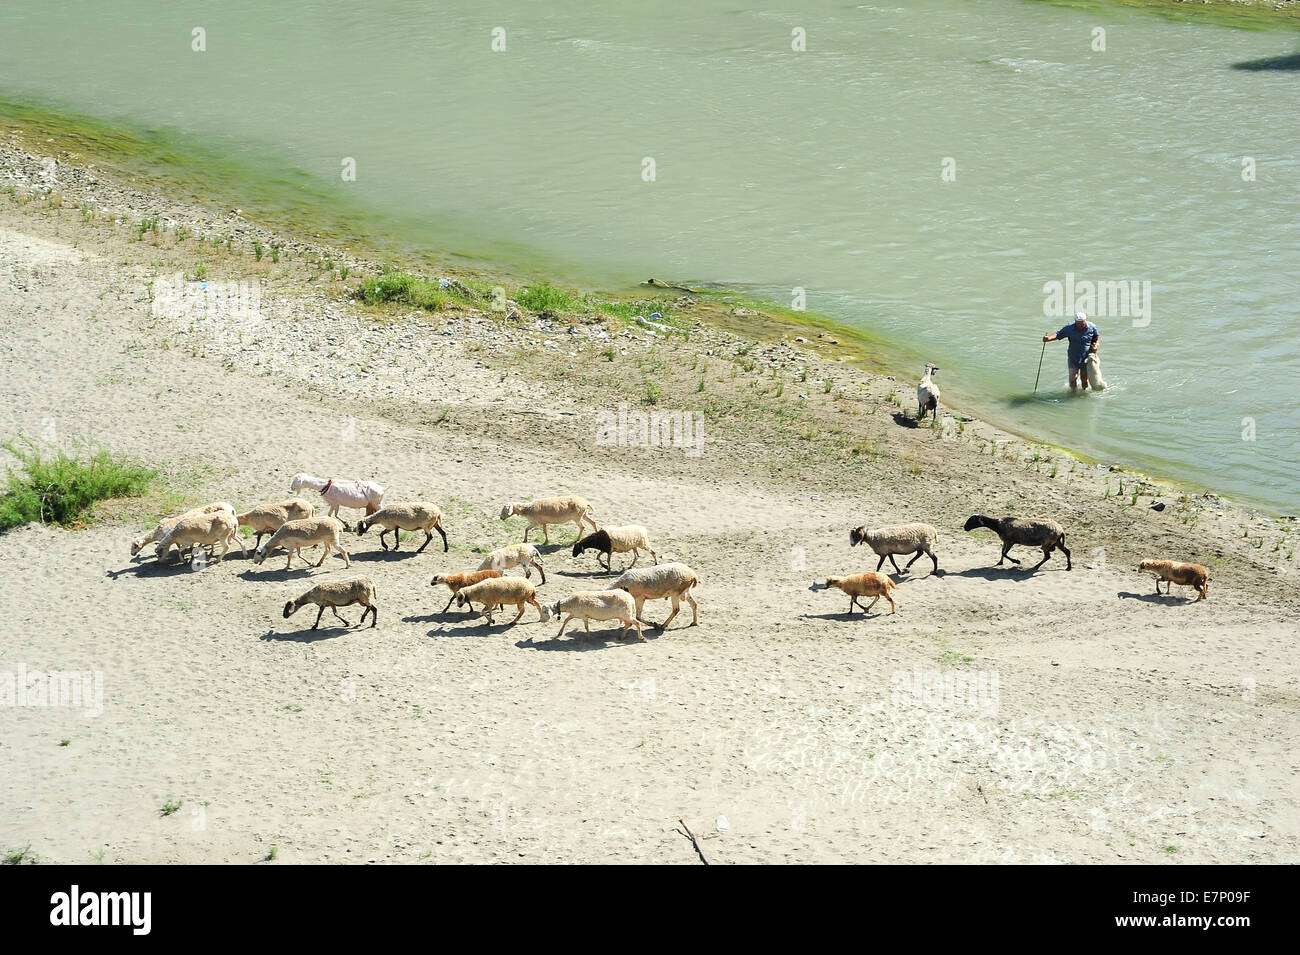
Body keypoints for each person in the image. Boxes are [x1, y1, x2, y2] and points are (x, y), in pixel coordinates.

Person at [1042, 312, 1100, 390]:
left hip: (1086, 358)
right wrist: (1049, 338)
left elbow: (1097, 336)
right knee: (1072, 379)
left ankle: (1084, 396)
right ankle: (1073, 394)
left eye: (1082, 323)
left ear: (1085, 321)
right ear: (1075, 321)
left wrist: (1096, 345)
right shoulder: (1069, 328)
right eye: (1078, 324)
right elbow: (1058, 334)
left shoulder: (1092, 327)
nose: (1080, 326)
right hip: (1073, 357)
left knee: (1084, 380)